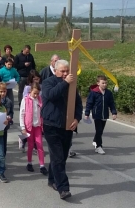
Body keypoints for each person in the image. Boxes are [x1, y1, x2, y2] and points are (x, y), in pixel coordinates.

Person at [42, 59, 82, 200]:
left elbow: (78, 104)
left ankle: (52, 179)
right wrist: (65, 83)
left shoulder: (72, 85)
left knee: (62, 157)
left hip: (67, 127)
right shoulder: (48, 82)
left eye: (67, 71)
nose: (65, 73)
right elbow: (51, 95)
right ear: (56, 71)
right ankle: (63, 188)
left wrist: (76, 119)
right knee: (58, 157)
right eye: (63, 71)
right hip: (51, 126)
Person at [84, 75, 117, 155]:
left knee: (100, 131)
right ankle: (99, 147)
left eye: (106, 83)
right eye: (103, 83)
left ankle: (95, 140)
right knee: (99, 130)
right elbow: (89, 103)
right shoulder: (94, 92)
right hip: (97, 115)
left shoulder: (108, 93)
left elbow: (111, 104)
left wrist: (114, 112)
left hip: (105, 115)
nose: (105, 84)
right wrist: (87, 113)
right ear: (98, 83)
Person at [20, 82, 47, 175]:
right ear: (30, 91)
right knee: (30, 146)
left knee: (40, 146)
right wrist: (23, 127)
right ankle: (29, 163)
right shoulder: (25, 100)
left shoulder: (40, 100)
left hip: (38, 126)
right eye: (34, 93)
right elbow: (22, 114)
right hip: (29, 126)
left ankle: (42, 165)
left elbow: (42, 112)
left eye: (37, 93)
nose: (36, 95)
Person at [14, 45, 36, 110]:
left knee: (30, 90)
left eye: (28, 52)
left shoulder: (30, 56)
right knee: (21, 91)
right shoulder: (18, 56)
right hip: (21, 76)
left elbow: (33, 65)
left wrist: (33, 72)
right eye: (26, 52)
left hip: (29, 76)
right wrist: (24, 64)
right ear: (23, 50)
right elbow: (15, 66)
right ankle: (21, 104)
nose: (27, 53)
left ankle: (28, 103)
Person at [0, 82, 13, 156]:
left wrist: (10, 117)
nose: (3, 93)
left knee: (3, 144)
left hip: (5, 126)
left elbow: (11, 112)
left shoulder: (9, 101)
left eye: (4, 91)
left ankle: (2, 159)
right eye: (1, 91)